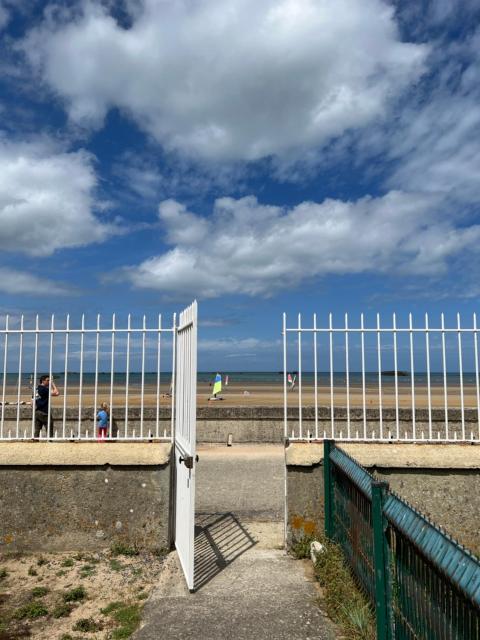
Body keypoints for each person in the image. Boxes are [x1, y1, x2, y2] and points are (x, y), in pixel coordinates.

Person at [34, 375, 59, 439]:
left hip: (37, 411)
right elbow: (57, 393)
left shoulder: (36, 389)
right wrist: (53, 384)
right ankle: (49, 440)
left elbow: (32, 401)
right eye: (48, 380)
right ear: (43, 381)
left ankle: (35, 440)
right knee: (49, 427)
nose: (49, 382)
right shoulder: (44, 389)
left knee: (37, 429)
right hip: (45, 411)